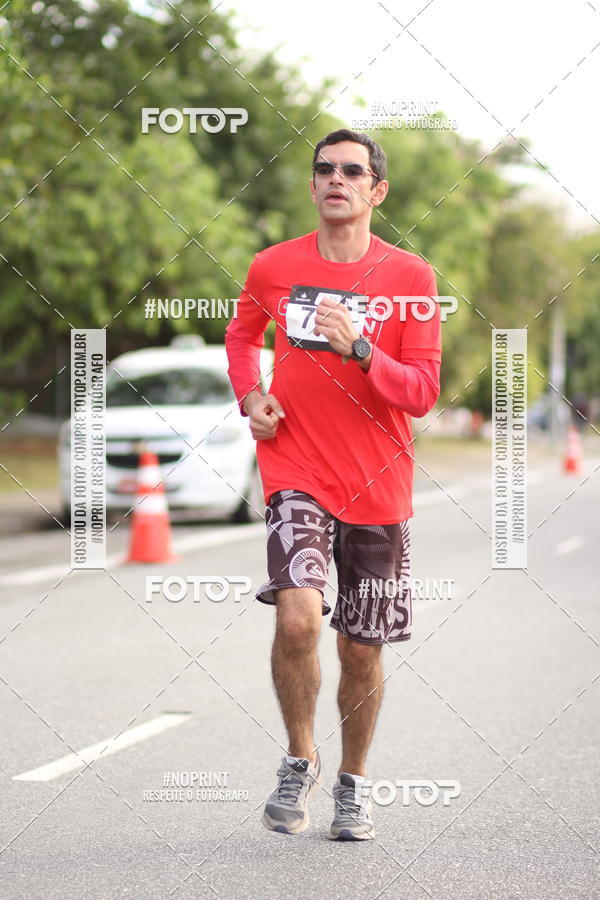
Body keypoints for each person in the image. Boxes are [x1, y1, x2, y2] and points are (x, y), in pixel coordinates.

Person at [225, 128, 442, 841]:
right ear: (313, 184)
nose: (336, 180)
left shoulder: (411, 279)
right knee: (297, 618)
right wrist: (250, 396)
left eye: (353, 171)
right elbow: (241, 336)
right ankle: (299, 756)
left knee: (360, 649)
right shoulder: (273, 265)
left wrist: (362, 347)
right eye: (324, 170)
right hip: (296, 468)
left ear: (377, 190)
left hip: (379, 486)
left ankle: (354, 782)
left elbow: (422, 392)